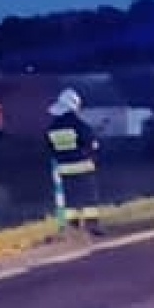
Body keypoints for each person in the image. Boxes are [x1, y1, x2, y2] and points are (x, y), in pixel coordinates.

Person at [44, 87, 105, 236]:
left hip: (64, 169)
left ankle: (73, 226)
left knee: (70, 199)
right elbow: (91, 143)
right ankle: (92, 226)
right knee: (89, 197)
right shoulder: (80, 125)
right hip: (84, 166)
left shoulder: (51, 128)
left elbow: (50, 148)